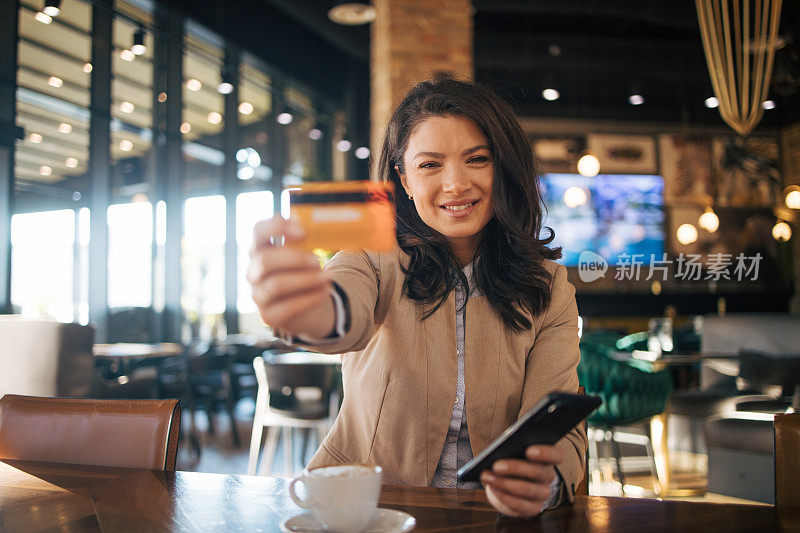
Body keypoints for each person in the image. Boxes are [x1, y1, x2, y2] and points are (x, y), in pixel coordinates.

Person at [247, 75, 586, 517]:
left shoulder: (550, 287)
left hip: (496, 519)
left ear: (501, 167)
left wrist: (547, 481)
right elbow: (339, 309)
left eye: (477, 159)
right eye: (430, 165)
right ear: (403, 179)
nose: (456, 184)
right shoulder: (371, 257)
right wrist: (310, 313)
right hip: (369, 514)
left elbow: (560, 430)